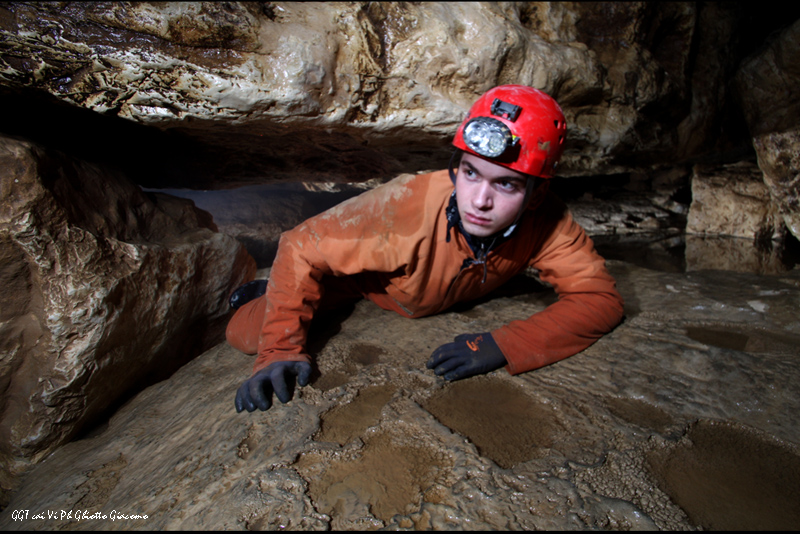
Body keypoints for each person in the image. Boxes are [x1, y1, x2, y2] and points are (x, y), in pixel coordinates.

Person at [226, 85, 624, 413]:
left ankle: (286, 287)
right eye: (470, 173)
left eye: (506, 184)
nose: (478, 200)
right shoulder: (405, 206)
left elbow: (599, 299)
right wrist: (279, 349)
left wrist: (506, 344)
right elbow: (300, 244)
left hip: (424, 286)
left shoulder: (546, 219)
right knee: (244, 335)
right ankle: (276, 287)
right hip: (361, 281)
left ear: (537, 194)